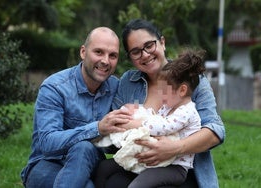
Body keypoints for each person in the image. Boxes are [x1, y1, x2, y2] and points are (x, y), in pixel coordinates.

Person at [94, 19, 225, 188]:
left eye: (149, 45)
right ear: (130, 58)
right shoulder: (128, 82)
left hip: (181, 169)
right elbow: (113, 137)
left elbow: (215, 131)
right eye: (136, 52)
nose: (145, 54)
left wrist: (175, 148)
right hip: (139, 162)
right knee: (113, 182)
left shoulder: (191, 80)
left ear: (162, 42)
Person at [20, 27, 132, 188]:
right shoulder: (55, 87)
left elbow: (113, 145)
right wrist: (98, 128)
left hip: (91, 162)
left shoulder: (116, 87)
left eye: (112, 55)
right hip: (47, 163)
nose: (106, 61)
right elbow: (46, 143)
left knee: (84, 149)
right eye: (99, 52)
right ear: (83, 52)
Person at [95, 49, 205, 188]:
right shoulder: (169, 107)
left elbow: (162, 127)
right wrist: (135, 110)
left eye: (164, 92)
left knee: (136, 186)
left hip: (173, 168)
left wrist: (134, 124)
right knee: (104, 167)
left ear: (182, 90)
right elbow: (151, 116)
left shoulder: (187, 111)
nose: (160, 96)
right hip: (155, 159)